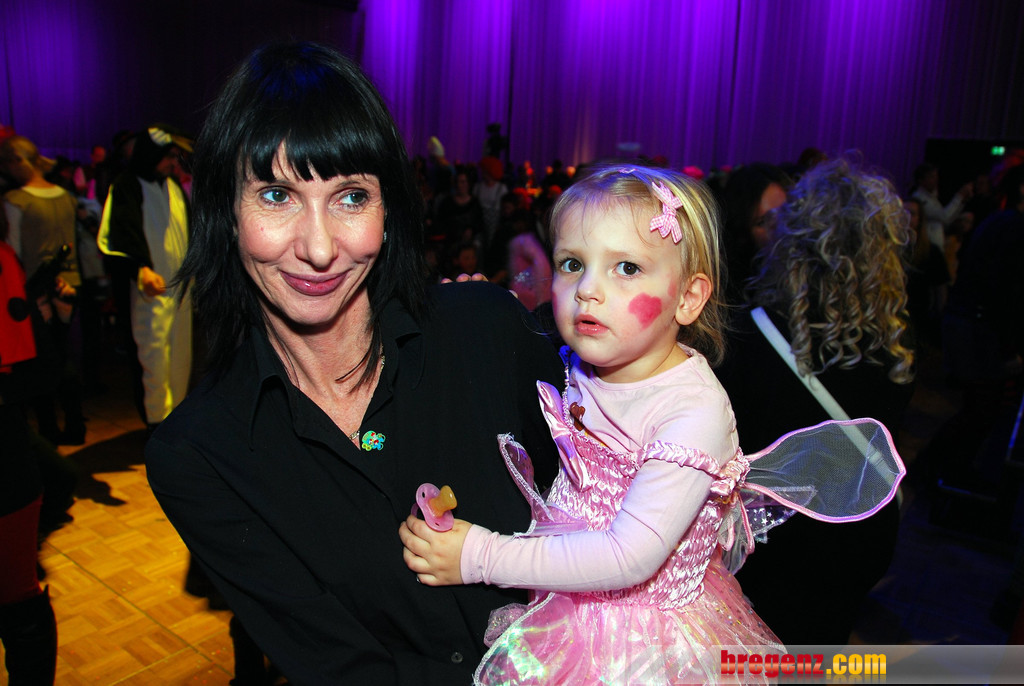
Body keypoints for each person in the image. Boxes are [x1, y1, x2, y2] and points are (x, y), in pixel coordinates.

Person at [145, 42, 561, 685]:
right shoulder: (201, 455)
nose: (318, 249)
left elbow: (612, 494)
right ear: (226, 214)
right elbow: (341, 668)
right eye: (277, 195)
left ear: (388, 211)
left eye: (350, 197)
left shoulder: (485, 330)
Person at [400, 164, 904, 683]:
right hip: (564, 600)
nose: (587, 290)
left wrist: (479, 555)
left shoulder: (691, 411)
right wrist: (483, 314)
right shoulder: (584, 358)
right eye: (572, 264)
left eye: (626, 268)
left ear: (688, 298)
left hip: (641, 648)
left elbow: (627, 556)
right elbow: (524, 350)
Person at [717, 157, 916, 644]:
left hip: (777, 540)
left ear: (792, 241)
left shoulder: (750, 334)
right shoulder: (896, 346)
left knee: (758, 659)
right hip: (860, 531)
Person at [98, 125, 192, 432]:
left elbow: (187, 229)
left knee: (180, 356)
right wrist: (140, 268)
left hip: (180, 290)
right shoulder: (127, 186)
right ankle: (157, 422)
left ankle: (176, 418)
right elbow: (118, 232)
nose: (172, 163)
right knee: (153, 357)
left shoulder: (173, 187)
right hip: (149, 290)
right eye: (168, 157)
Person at [1, 134, 86, 445]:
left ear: (17, 161)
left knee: (40, 360)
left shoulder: (17, 200)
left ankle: (49, 428)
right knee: (65, 356)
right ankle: (75, 424)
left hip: (32, 291)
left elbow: (13, 252)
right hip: (69, 284)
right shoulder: (65, 196)